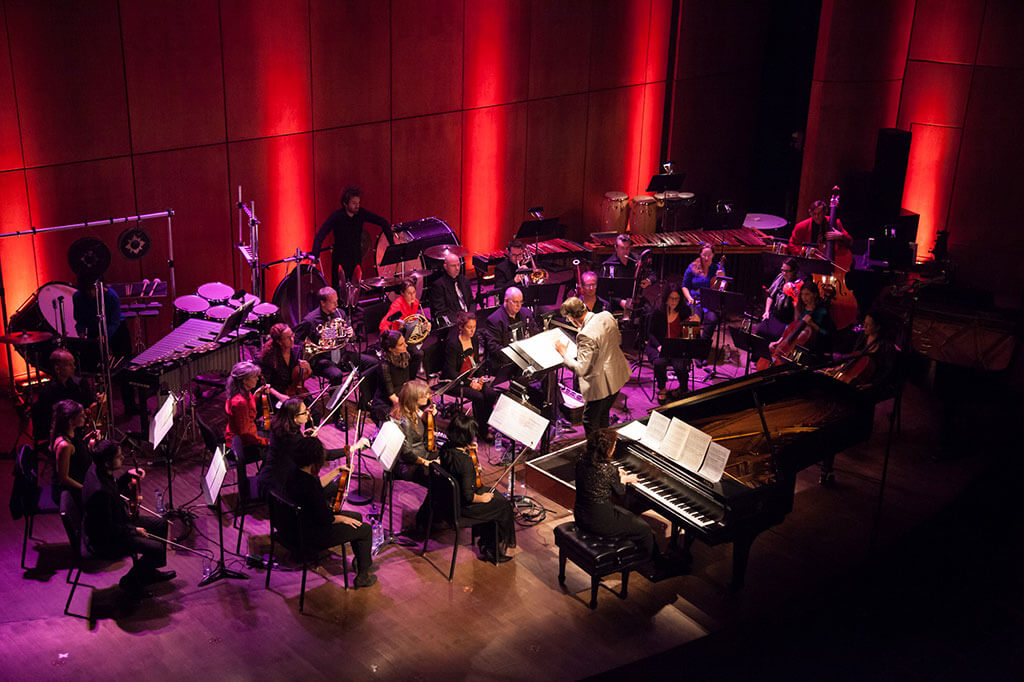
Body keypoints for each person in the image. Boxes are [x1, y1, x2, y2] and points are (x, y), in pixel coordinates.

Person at [81, 439, 175, 597]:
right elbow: (108, 528)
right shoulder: (100, 492)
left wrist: (127, 476)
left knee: (161, 524)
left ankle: (148, 572)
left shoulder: (97, 469)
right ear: (107, 462)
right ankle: (130, 582)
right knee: (156, 548)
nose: (123, 458)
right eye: (118, 457)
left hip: (117, 522)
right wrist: (134, 530)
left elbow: (113, 490)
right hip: (106, 540)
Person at [284, 436, 376, 588]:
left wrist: (336, 471)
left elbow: (316, 485)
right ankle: (363, 576)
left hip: (295, 527)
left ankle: (361, 560)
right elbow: (326, 518)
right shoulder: (310, 487)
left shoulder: (295, 474)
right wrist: (343, 519)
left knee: (357, 516)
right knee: (365, 529)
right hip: (312, 534)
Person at [439, 412, 515, 563]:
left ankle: (486, 541)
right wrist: (482, 498)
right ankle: (492, 550)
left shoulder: (446, 448)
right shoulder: (465, 462)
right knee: (504, 506)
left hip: (446, 502)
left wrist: (468, 450)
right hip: (461, 508)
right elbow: (468, 496)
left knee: (495, 497)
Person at [574, 429, 655, 561]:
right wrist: (624, 479)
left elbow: (598, 477)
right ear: (608, 449)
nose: (614, 448)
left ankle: (630, 550)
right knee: (645, 529)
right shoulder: (608, 469)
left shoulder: (581, 461)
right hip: (599, 523)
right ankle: (645, 561)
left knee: (628, 515)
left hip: (581, 516)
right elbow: (620, 492)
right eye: (614, 446)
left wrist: (616, 475)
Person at [554, 297, 631, 436]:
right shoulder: (606, 315)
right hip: (617, 374)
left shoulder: (585, 335)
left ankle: (595, 448)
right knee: (603, 414)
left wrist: (563, 354)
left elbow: (581, 369)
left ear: (571, 318)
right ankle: (605, 445)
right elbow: (617, 339)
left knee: (589, 420)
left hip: (601, 384)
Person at [311, 185, 393, 290]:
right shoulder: (336, 216)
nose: (357, 206)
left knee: (355, 291)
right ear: (345, 204)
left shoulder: (361, 214)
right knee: (340, 291)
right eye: (354, 203)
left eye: (358, 203)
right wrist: (315, 255)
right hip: (340, 261)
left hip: (355, 260)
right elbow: (320, 235)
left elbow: (383, 222)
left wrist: (392, 245)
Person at [389, 379, 438, 534]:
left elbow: (425, 436)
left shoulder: (415, 410)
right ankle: (421, 524)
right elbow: (406, 453)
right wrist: (426, 462)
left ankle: (437, 515)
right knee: (437, 482)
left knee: (451, 459)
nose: (428, 397)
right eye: (424, 395)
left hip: (422, 453)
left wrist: (429, 418)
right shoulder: (402, 420)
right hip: (408, 465)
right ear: (414, 398)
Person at [442, 312, 498, 440]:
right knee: (478, 397)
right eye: (469, 327)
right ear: (461, 327)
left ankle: (483, 424)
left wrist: (481, 378)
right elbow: (451, 372)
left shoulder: (474, 339)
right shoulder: (453, 343)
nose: (473, 330)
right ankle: (481, 429)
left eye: (474, 327)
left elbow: (476, 363)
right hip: (453, 381)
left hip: (470, 378)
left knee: (491, 393)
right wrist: (470, 383)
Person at [33, 348, 98, 446]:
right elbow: (48, 424)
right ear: (57, 369)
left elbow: (90, 403)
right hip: (62, 438)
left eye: (73, 363)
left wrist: (92, 408)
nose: (74, 367)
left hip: (81, 430)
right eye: (69, 364)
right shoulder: (47, 392)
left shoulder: (80, 384)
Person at [224, 361, 268, 502]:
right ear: (244, 380)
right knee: (276, 450)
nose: (257, 379)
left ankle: (263, 477)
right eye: (254, 377)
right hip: (240, 446)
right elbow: (245, 434)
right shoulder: (240, 402)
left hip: (242, 436)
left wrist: (256, 395)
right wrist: (264, 442)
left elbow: (247, 414)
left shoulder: (243, 393)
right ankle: (263, 482)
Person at [294, 287, 355, 386]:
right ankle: (336, 396)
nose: (337, 305)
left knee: (371, 362)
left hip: (342, 356)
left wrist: (351, 333)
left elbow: (351, 337)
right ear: (323, 303)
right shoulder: (310, 320)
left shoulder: (340, 313)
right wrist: (308, 346)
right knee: (337, 375)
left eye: (337, 301)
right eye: (333, 302)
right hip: (321, 360)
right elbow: (296, 339)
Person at [647, 284, 694, 404]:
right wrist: (659, 346)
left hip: (677, 346)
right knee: (659, 362)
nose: (673, 302)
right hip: (659, 345)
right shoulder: (658, 311)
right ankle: (662, 388)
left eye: (676, 299)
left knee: (680, 365)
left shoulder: (685, 311)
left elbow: (689, 335)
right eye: (671, 298)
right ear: (666, 298)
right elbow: (650, 333)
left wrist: (692, 327)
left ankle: (682, 388)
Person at [257, 398, 310, 501]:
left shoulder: (280, 426)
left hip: (267, 476)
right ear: (294, 417)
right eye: (304, 412)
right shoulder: (292, 439)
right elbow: (315, 455)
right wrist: (342, 451)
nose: (308, 414)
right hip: (278, 488)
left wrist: (304, 439)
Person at [768, 280, 833, 361]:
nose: (804, 297)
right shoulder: (800, 309)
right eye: (802, 294)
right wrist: (780, 342)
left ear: (815, 295)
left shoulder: (821, 311)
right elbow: (791, 329)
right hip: (794, 349)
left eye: (807, 294)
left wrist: (812, 324)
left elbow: (827, 334)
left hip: (811, 350)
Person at [480, 286, 536, 375]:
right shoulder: (494, 320)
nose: (519, 305)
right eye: (515, 302)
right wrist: (516, 357)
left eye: (521, 302)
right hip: (506, 362)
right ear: (506, 301)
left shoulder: (526, 313)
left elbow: (535, 332)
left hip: (527, 357)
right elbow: (494, 347)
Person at [379, 278, 428, 378]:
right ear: (402, 293)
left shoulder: (415, 303)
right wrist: (391, 338)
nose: (412, 296)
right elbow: (383, 324)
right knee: (418, 354)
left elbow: (413, 319)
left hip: (408, 334)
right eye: (409, 293)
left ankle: (412, 376)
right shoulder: (397, 306)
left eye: (414, 292)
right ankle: (409, 378)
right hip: (398, 338)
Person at [682, 244, 725, 349]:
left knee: (712, 319)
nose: (706, 258)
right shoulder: (692, 267)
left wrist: (722, 278)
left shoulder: (718, 269)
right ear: (700, 254)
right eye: (704, 255)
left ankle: (703, 346)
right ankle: (694, 345)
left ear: (713, 255)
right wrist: (690, 299)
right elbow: (684, 286)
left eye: (709, 255)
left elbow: (722, 288)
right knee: (694, 319)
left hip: (710, 303)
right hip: (695, 301)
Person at [49, 399, 92, 506]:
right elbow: (64, 479)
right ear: (71, 421)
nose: (85, 417)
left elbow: (76, 453)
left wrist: (87, 439)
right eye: (81, 415)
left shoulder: (72, 433)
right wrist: (86, 489)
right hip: (71, 491)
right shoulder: (65, 446)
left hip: (80, 479)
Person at [258, 323, 312, 406]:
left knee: (313, 409)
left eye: (292, 335)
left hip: (297, 390)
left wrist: (308, 367)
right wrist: (280, 396)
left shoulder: (298, 350)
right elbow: (265, 383)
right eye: (288, 338)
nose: (292, 339)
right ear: (279, 342)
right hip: (277, 393)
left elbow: (306, 375)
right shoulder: (269, 356)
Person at [370, 330, 414, 425]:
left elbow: (406, 382)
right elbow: (392, 396)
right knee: (406, 424)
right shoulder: (384, 366)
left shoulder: (404, 356)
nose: (406, 345)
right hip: (387, 402)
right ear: (391, 349)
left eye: (404, 342)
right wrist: (407, 408)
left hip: (401, 396)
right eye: (401, 344)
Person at [755, 257, 802, 344]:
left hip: (786, 319)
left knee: (774, 338)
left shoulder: (797, 285)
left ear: (794, 271)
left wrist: (793, 326)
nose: (784, 273)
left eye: (787, 271)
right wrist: (766, 311)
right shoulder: (780, 278)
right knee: (759, 333)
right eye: (782, 270)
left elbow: (797, 309)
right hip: (775, 314)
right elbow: (770, 296)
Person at [427, 251, 475, 327]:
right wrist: (461, 321)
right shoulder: (438, 285)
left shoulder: (465, 280)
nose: (457, 268)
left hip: (468, 319)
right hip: (455, 322)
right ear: (445, 267)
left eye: (458, 265)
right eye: (453, 266)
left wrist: (471, 316)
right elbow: (441, 310)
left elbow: (471, 301)